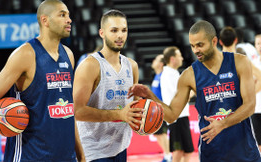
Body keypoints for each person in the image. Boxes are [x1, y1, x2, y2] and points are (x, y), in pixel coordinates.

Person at [128, 20, 261, 162]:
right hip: (212, 153)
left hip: (245, 150)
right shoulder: (189, 75)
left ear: (214, 41)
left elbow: (250, 105)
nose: (196, 50)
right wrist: (149, 95)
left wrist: (222, 124)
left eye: (200, 45)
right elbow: (172, 116)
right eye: (192, 46)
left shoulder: (240, 62)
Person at [0, 0, 85, 161]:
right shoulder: (25, 54)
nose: (69, 19)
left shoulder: (68, 55)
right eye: (62, 15)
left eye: (68, 15)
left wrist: (80, 153)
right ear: (45, 20)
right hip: (30, 156)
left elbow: (68, 110)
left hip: (65, 157)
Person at [73, 9, 143, 162]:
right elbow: (77, 111)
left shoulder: (132, 66)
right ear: (102, 33)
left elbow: (135, 108)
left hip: (121, 147)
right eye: (114, 30)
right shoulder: (90, 65)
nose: (120, 35)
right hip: (93, 152)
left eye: (124, 30)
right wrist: (118, 115)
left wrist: (146, 118)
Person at [160, 47, 194, 162]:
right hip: (177, 117)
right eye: (179, 55)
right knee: (179, 150)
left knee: (186, 150)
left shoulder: (173, 73)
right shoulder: (169, 75)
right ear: (172, 59)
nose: (182, 58)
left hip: (180, 116)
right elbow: (181, 96)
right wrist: (194, 89)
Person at [151, 54, 171, 162]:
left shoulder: (164, 76)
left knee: (163, 134)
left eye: (156, 59)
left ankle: (168, 156)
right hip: (155, 110)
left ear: (160, 64)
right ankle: (166, 155)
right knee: (158, 134)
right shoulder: (157, 76)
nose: (153, 61)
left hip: (162, 110)